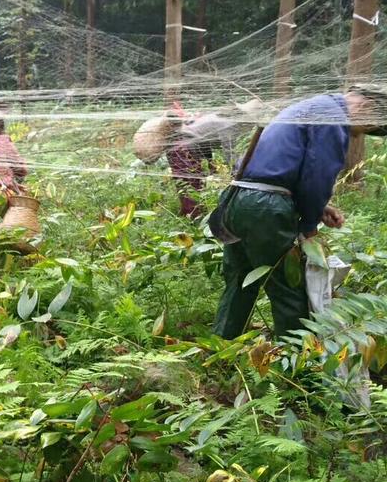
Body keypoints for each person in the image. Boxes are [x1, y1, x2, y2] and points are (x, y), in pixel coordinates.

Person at [213, 85, 387, 339]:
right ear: (368, 107)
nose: (358, 137)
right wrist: (309, 227)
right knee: (287, 287)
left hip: (237, 199)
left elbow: (278, 167)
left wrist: (321, 207)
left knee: (241, 279)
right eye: (366, 129)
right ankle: (296, 364)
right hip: (266, 208)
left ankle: (220, 347)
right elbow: (317, 177)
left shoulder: (313, 105)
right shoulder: (333, 118)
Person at [132, 100, 260, 218]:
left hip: (180, 146)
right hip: (183, 148)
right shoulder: (229, 126)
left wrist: (211, 164)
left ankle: (191, 213)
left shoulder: (218, 118)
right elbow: (230, 154)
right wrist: (238, 172)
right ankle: (193, 217)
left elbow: (205, 140)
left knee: (190, 182)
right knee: (190, 183)